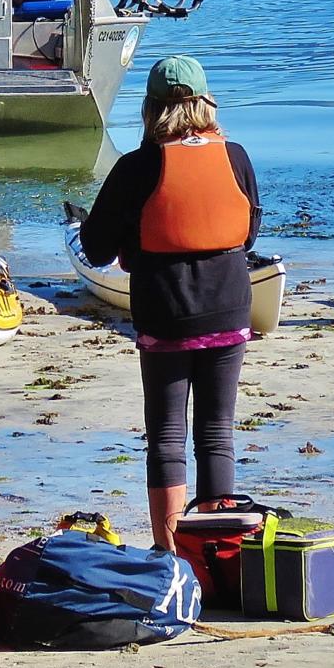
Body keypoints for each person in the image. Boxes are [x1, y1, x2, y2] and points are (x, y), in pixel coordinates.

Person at [79, 55, 261, 550]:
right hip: (228, 307)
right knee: (217, 432)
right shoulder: (236, 155)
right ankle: (218, 551)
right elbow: (248, 235)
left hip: (165, 312)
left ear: (151, 107)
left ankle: (170, 553)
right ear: (205, 102)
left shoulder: (136, 166)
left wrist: (133, 246)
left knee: (166, 437)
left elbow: (95, 248)